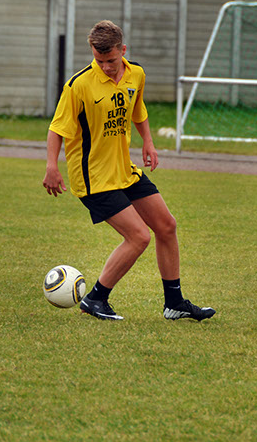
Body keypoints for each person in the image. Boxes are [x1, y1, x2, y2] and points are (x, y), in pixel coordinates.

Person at [43, 20, 215, 322]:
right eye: (99, 61)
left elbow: (137, 110)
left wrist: (148, 141)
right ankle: (95, 299)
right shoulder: (79, 85)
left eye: (111, 60)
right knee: (139, 237)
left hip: (124, 170)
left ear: (123, 50)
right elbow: (57, 128)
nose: (106, 67)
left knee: (166, 226)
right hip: (93, 178)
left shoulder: (136, 74)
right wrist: (51, 166)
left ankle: (174, 303)